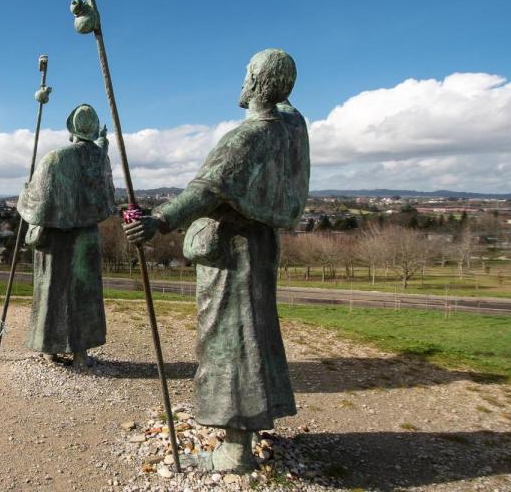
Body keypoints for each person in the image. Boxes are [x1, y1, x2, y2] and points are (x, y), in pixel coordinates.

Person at [125, 49, 310, 471]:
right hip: (261, 246)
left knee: (232, 341)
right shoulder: (291, 129)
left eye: (247, 74)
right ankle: (248, 428)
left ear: (257, 84)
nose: (241, 81)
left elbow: (204, 192)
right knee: (254, 335)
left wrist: (158, 221)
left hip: (233, 253)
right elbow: (289, 107)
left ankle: (235, 447)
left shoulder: (246, 138)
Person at [17, 104, 116, 368]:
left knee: (52, 289)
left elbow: (35, 206)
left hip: (57, 239)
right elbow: (106, 198)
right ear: (94, 130)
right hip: (87, 237)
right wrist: (101, 146)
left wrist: (24, 192)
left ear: (70, 129)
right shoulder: (100, 159)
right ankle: (81, 354)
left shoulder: (54, 159)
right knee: (84, 293)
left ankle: (49, 347)